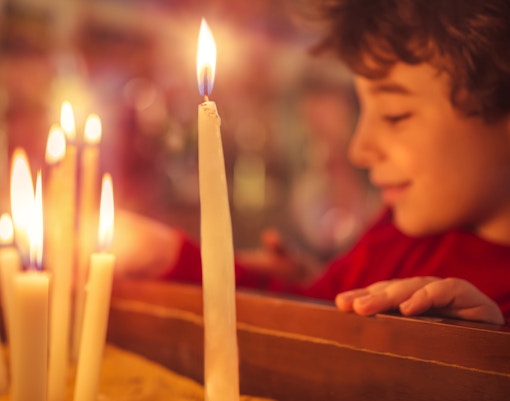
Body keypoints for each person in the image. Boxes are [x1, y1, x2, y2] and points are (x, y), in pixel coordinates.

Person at [114, 0, 510, 326]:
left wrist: (483, 353)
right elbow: (309, 314)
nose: (360, 149)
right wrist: (169, 256)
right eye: (362, 109)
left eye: (395, 115)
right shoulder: (395, 237)